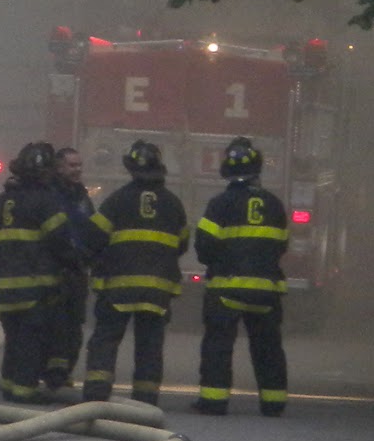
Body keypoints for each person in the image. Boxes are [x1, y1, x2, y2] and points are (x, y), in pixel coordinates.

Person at [80, 141, 190, 406]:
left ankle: (97, 392)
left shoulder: (118, 200)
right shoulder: (173, 204)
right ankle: (146, 397)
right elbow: (182, 244)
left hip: (118, 286)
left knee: (106, 339)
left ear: (130, 168)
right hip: (157, 290)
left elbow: (93, 236)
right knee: (150, 345)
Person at [192, 137, 289, 416]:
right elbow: (281, 245)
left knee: (218, 346)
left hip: (226, 290)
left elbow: (204, 247)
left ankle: (214, 401)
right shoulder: (274, 205)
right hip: (266, 291)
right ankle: (273, 403)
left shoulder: (219, 204)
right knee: (268, 348)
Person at [0, 141, 75, 403]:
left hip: (3, 287)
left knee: (13, 338)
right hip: (34, 286)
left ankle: (10, 386)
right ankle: (24, 392)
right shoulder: (46, 201)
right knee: (31, 341)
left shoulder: (3, 201)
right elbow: (60, 240)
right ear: (48, 172)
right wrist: (76, 261)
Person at [45, 146, 98, 391]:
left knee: (74, 324)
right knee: (54, 323)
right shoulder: (50, 194)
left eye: (79, 165)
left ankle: (64, 372)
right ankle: (53, 373)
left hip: (77, 270)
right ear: (59, 167)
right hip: (54, 269)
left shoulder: (81, 196)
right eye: (72, 165)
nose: (77, 170)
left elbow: (91, 228)